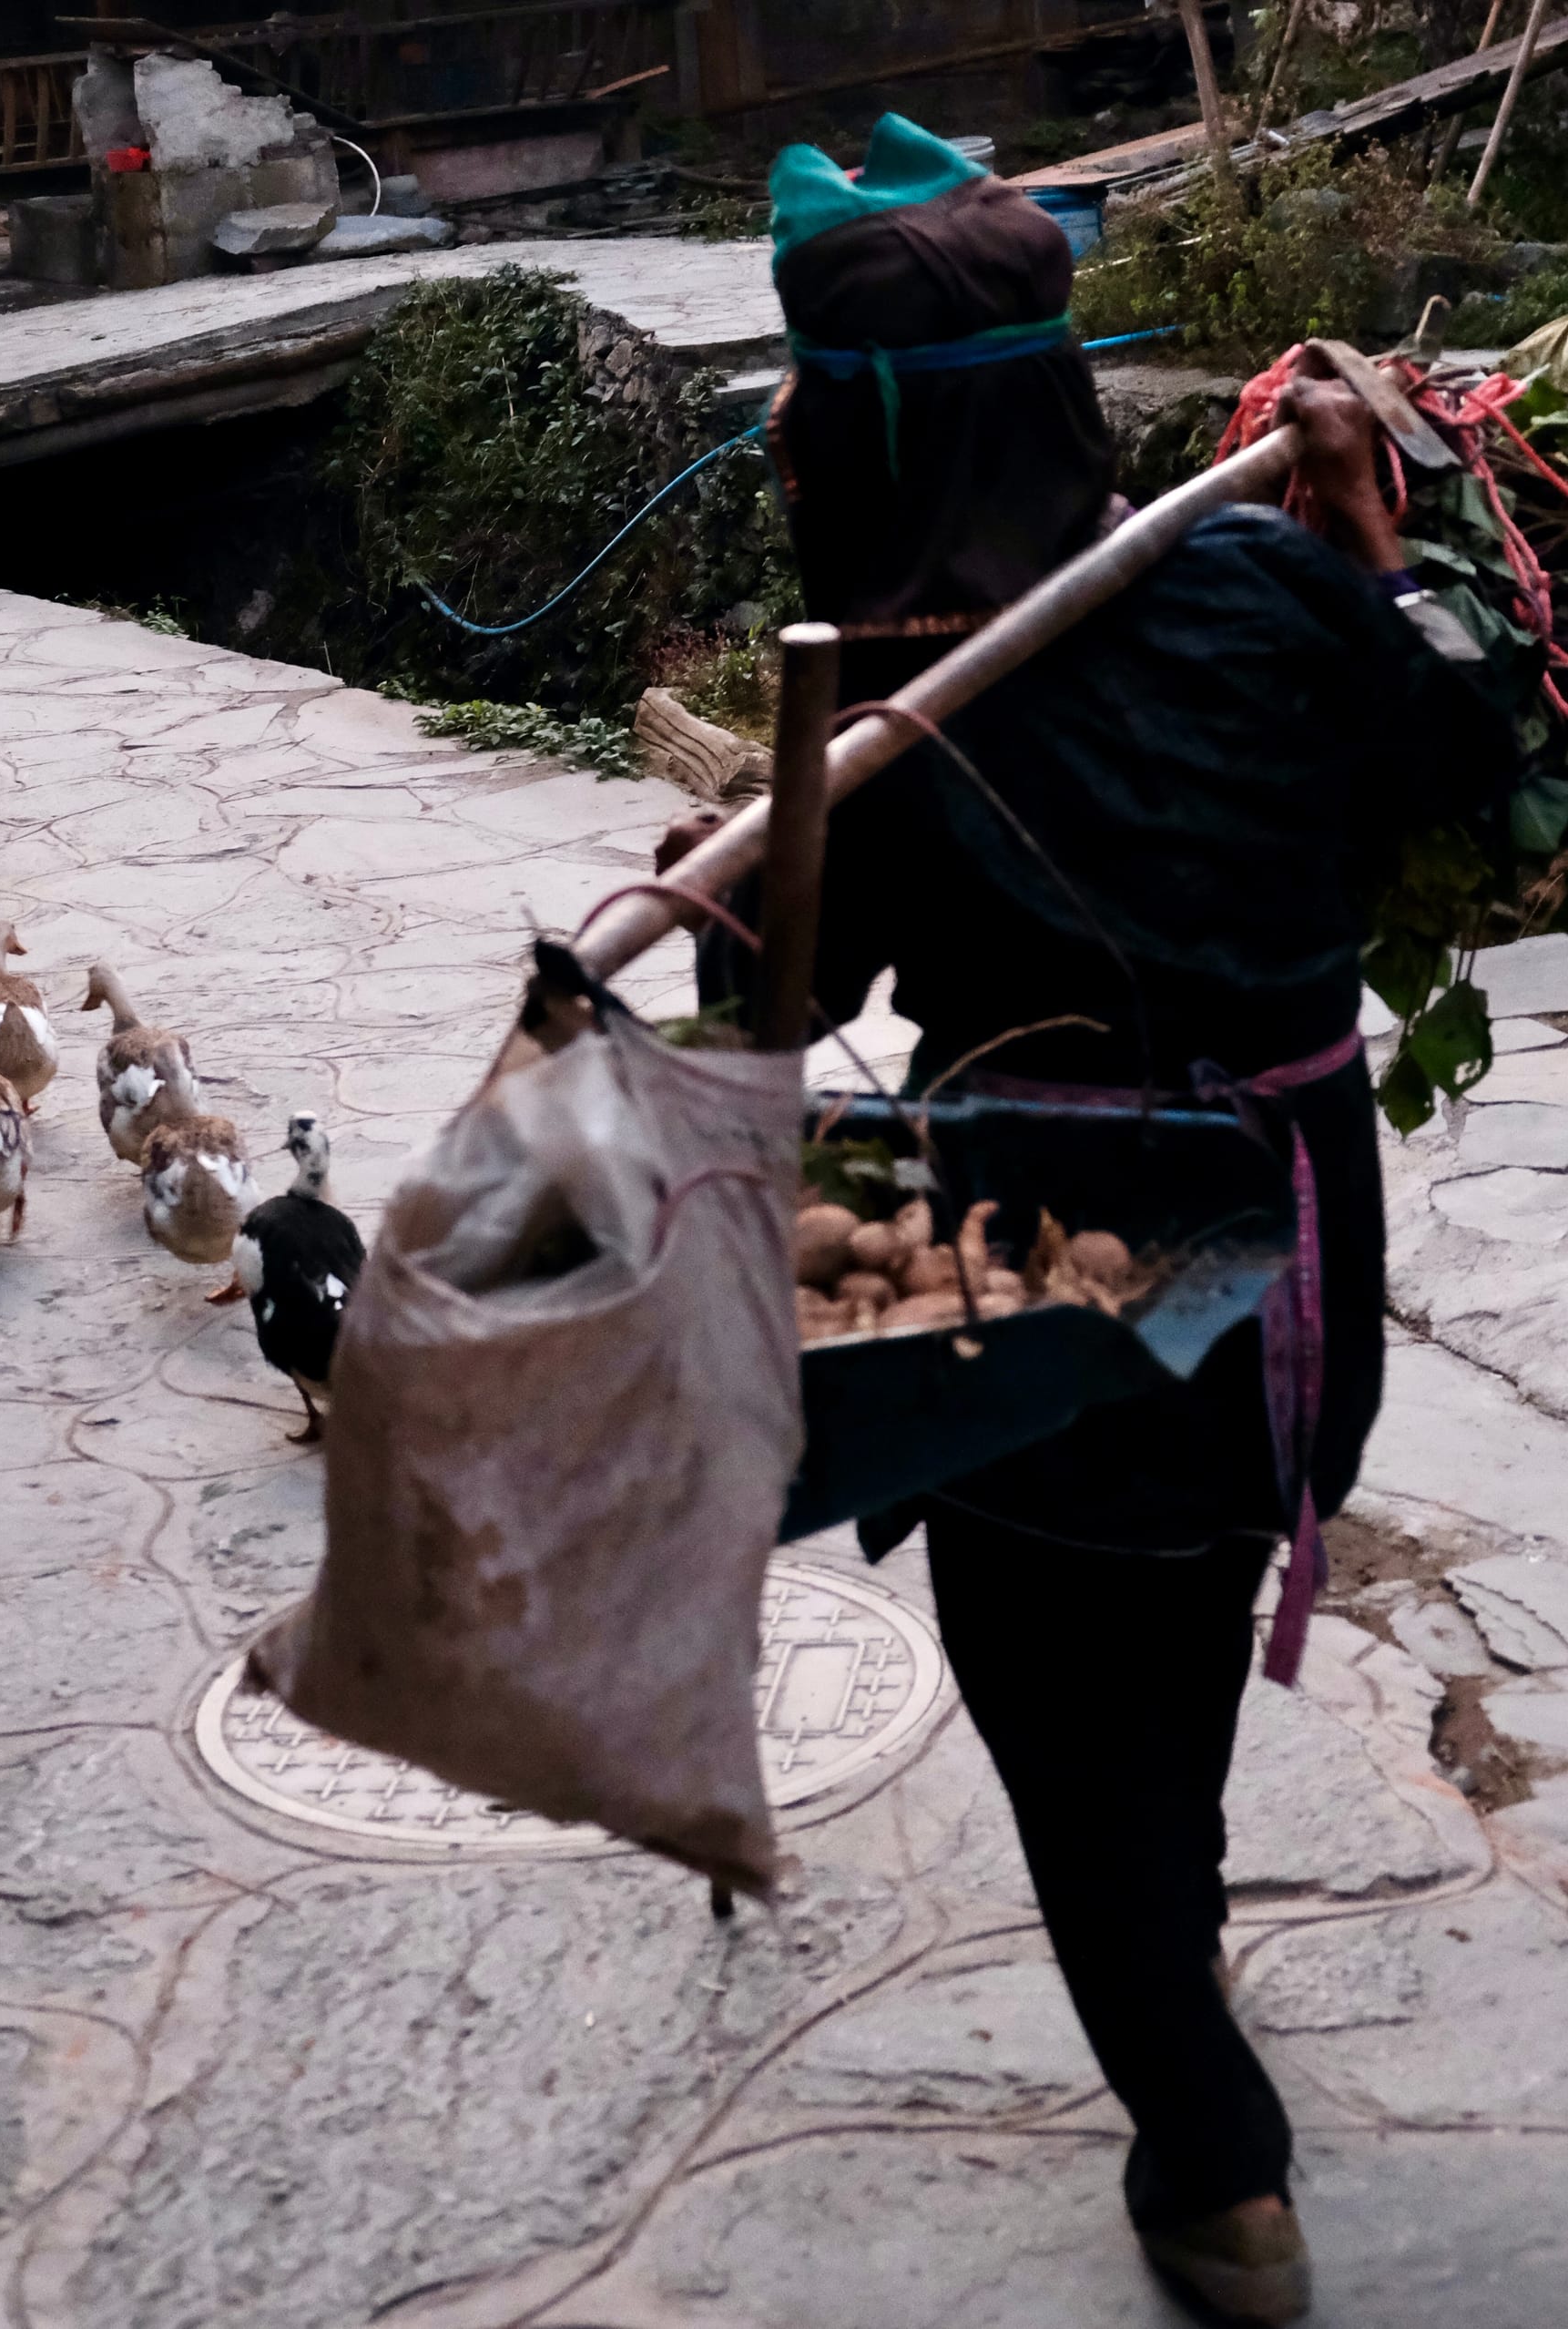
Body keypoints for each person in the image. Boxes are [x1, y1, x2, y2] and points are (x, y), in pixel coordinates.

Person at [660, 114, 1519, 2325]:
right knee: (1171, 1638)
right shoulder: (1264, 588)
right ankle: (1181, 1914)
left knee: (1070, 1740)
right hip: (1297, 1270)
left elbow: (771, 1039)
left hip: (1041, 1274)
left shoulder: (866, 724)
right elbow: (1454, 749)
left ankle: (1216, 2169)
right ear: (1056, 397)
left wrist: (740, 871)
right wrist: (1357, 528)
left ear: (837, 445)